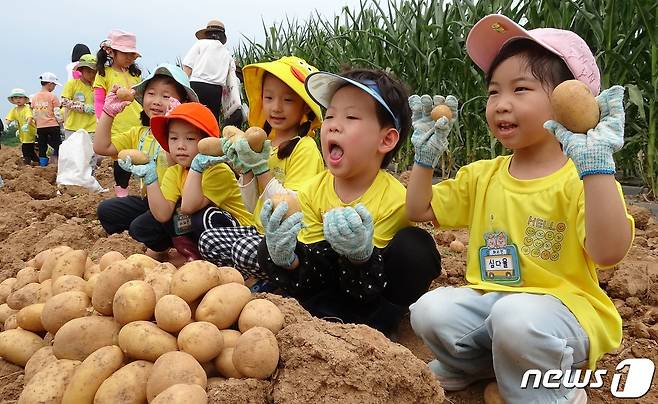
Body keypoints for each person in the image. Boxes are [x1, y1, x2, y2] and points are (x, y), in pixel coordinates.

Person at [406, 14, 634, 403]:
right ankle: (479, 366)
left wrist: (597, 169)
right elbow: (419, 208)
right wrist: (425, 157)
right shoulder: (484, 175)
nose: (501, 104)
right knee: (429, 311)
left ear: (567, 99)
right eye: (494, 92)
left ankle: (553, 388)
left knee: (515, 320)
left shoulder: (580, 176)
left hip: (563, 315)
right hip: (496, 307)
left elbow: (609, 252)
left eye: (521, 89)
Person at [256, 68, 441, 338]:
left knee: (416, 247)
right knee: (270, 246)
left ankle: (381, 326)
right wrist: (287, 259)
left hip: (371, 298)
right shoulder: (310, 192)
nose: (332, 124)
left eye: (351, 117)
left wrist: (361, 257)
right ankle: (316, 315)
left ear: (386, 139)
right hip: (319, 292)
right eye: (329, 115)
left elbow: (374, 284)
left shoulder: (395, 200)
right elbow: (312, 268)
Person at [197, 56, 325, 283]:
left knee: (242, 249)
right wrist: (246, 168)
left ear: (304, 106)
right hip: (259, 232)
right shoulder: (265, 146)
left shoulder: (305, 148)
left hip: (289, 240)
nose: (276, 107)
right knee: (208, 240)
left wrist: (260, 168)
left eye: (287, 100)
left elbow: (289, 210)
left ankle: (276, 280)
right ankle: (254, 278)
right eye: (268, 98)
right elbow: (249, 206)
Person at [119, 102, 253, 262]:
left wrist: (196, 169)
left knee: (202, 216)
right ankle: (191, 253)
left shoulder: (218, 170)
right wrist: (151, 178)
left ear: (206, 143)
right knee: (143, 225)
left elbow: (189, 207)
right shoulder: (174, 172)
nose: (180, 146)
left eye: (190, 138)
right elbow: (162, 214)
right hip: (208, 235)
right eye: (174, 138)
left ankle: (225, 261)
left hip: (241, 233)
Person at [94, 63, 198, 262]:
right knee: (107, 211)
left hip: (179, 205)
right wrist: (108, 113)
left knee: (140, 227)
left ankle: (175, 241)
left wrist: (171, 123)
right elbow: (101, 147)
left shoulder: (183, 136)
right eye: (151, 94)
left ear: (182, 102)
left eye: (166, 96)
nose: (157, 101)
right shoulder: (139, 133)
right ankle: (158, 239)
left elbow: (175, 163)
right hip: (151, 200)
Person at [94, 29, 143, 197]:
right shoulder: (104, 74)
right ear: (111, 52)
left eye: (132, 54)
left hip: (137, 123)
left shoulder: (135, 75)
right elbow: (99, 100)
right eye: (125, 53)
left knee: (141, 158)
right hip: (117, 124)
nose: (130, 57)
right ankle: (122, 193)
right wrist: (101, 120)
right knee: (121, 160)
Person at [182, 19, 237, 123]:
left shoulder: (200, 44)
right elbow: (231, 77)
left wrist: (181, 87)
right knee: (210, 120)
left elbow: (187, 67)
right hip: (216, 90)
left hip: (196, 85)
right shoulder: (226, 53)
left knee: (192, 118)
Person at [61, 54, 97, 139]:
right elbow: (64, 101)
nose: (92, 74)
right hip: (73, 128)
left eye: (94, 72)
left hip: (92, 128)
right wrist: (83, 107)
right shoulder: (72, 84)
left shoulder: (96, 87)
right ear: (81, 70)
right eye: (89, 71)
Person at [31, 72, 63, 166]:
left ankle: (43, 165)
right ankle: (60, 163)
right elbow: (57, 112)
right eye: (54, 85)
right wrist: (61, 123)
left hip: (40, 126)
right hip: (53, 125)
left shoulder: (35, 97)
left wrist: (37, 123)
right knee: (58, 145)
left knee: (42, 146)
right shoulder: (52, 96)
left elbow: (34, 114)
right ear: (50, 84)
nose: (54, 87)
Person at [6, 88, 38, 165]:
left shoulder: (26, 108)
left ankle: (27, 164)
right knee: (30, 149)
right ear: (13, 100)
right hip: (23, 133)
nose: (18, 100)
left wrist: (27, 124)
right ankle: (37, 162)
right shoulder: (14, 110)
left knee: (25, 149)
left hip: (30, 132)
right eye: (16, 98)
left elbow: (29, 117)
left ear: (25, 99)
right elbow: (9, 118)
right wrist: (6, 124)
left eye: (20, 97)